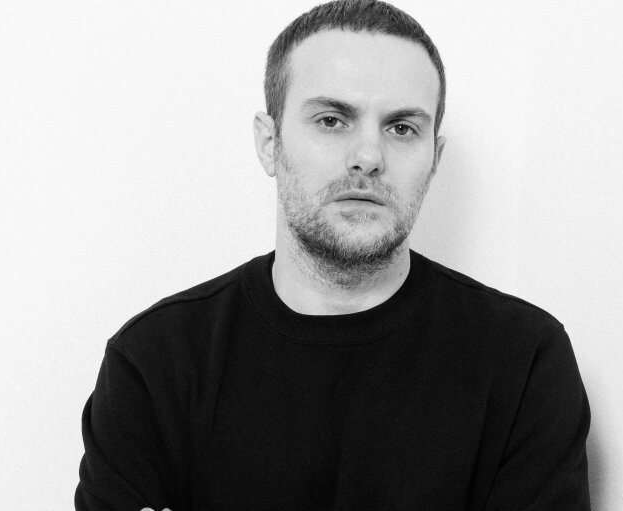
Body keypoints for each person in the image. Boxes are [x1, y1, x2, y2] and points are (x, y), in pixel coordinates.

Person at [75, 1, 591, 509]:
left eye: (402, 128)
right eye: (331, 120)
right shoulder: (154, 361)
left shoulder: (523, 361)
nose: (368, 157)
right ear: (269, 143)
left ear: (434, 160)